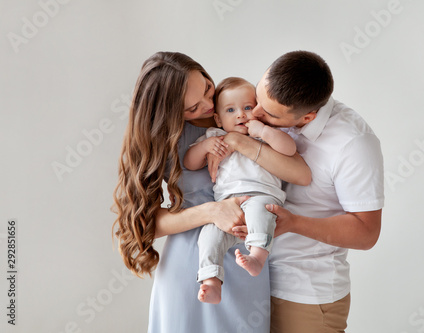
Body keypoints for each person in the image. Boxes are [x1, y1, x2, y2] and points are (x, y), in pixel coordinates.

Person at [112, 52, 311, 333]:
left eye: (206, 87)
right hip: (192, 263)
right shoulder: (167, 138)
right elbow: (145, 223)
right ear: (173, 111)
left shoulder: (245, 112)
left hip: (249, 255)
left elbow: (301, 174)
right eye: (192, 108)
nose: (207, 105)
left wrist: (234, 140)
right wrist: (211, 211)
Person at [214, 51, 384, 333]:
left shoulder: (353, 144)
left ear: (307, 116)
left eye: (268, 114)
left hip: (303, 293)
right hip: (251, 282)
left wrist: (294, 223)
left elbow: (367, 233)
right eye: (259, 97)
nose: (254, 114)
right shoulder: (268, 110)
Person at [183, 77, 299, 304]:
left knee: (259, 210)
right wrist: (205, 147)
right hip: (227, 207)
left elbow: (290, 148)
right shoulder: (214, 137)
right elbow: (189, 163)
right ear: (217, 118)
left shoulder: (264, 134)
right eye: (230, 110)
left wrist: (264, 131)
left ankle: (257, 256)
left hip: (262, 195)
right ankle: (211, 280)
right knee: (208, 235)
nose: (240, 115)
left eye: (247, 107)